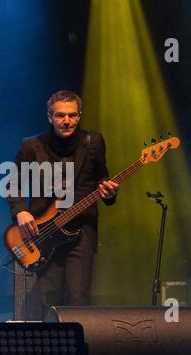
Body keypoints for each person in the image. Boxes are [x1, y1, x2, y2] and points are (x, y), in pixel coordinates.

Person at [8, 90, 120, 308]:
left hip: (81, 232)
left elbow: (101, 177)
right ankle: (53, 342)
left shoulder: (94, 142)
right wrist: (20, 210)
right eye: (60, 115)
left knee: (78, 298)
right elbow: (13, 183)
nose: (66, 121)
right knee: (49, 298)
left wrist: (109, 192)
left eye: (72, 115)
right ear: (50, 117)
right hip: (45, 231)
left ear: (79, 116)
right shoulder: (31, 146)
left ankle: (78, 341)